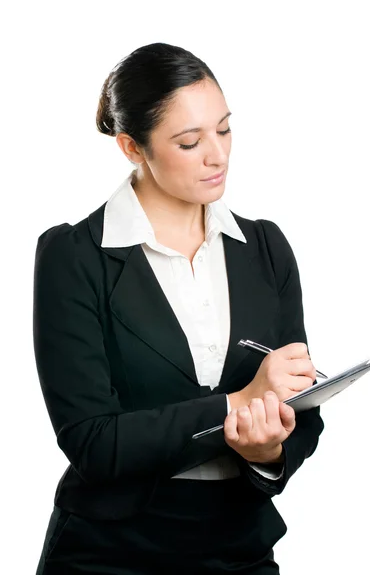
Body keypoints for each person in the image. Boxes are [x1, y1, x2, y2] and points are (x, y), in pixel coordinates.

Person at [33, 42, 324, 575]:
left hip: (240, 547)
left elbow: (303, 414)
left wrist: (267, 452)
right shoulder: (74, 257)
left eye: (225, 129)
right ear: (131, 147)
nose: (218, 155)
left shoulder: (264, 248)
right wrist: (235, 404)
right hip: (109, 553)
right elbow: (92, 442)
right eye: (190, 142)